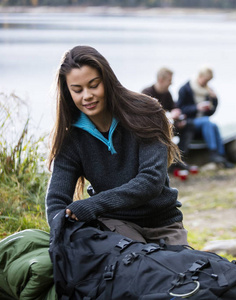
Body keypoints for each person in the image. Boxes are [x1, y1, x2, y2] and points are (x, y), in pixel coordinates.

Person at [45, 45, 188, 245]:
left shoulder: (146, 113)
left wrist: (92, 205)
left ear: (108, 80)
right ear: (68, 92)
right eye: (77, 90)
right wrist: (61, 232)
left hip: (163, 223)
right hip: (113, 223)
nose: (86, 96)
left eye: (94, 85)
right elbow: (56, 200)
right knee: (137, 265)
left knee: (181, 272)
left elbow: (151, 181)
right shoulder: (71, 138)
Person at [177, 66, 234, 168]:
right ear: (200, 76)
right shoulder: (185, 88)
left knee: (214, 125)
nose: (207, 83)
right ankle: (213, 152)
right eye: (206, 80)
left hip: (203, 123)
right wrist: (196, 108)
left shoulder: (208, 90)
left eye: (209, 81)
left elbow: (211, 112)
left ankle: (221, 155)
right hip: (190, 122)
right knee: (207, 122)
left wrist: (215, 100)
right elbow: (180, 109)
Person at [141, 67, 195, 170]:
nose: (171, 83)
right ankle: (165, 162)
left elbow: (173, 107)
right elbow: (146, 116)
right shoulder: (146, 92)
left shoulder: (167, 93)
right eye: (169, 80)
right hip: (154, 128)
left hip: (167, 124)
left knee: (189, 125)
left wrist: (179, 118)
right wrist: (169, 116)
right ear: (161, 80)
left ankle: (179, 159)